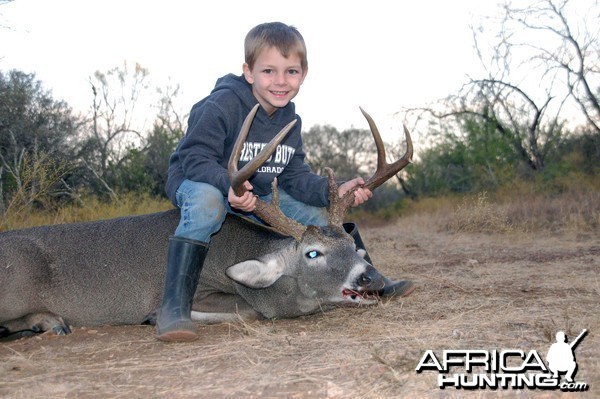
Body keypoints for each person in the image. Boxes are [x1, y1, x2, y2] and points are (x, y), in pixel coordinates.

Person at [156, 22, 412, 342]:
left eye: (291, 71)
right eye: (268, 71)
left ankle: (372, 281)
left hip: (258, 192)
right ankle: (174, 306)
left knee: (320, 219)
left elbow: (294, 175)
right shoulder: (220, 106)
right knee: (208, 207)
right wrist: (229, 187)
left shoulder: (290, 121)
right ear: (249, 72)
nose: (280, 81)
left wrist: (333, 191)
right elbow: (195, 158)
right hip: (199, 182)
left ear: (303, 74)